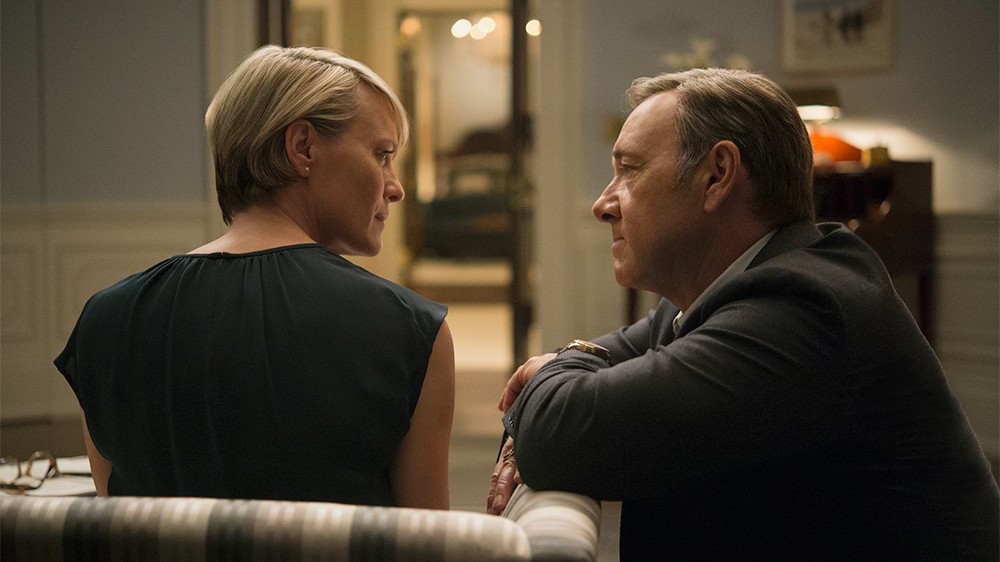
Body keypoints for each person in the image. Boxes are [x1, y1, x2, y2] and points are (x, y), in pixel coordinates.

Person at [487, 68, 999, 558]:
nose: (602, 204)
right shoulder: (717, 294)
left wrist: (547, 382)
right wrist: (556, 378)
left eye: (629, 170)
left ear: (717, 175)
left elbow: (560, 435)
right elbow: (576, 397)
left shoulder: (805, 310)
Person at [55, 45, 454, 509]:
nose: (396, 187)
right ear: (302, 147)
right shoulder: (409, 330)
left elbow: (120, 527)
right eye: (382, 154)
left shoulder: (106, 321)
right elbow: (426, 540)